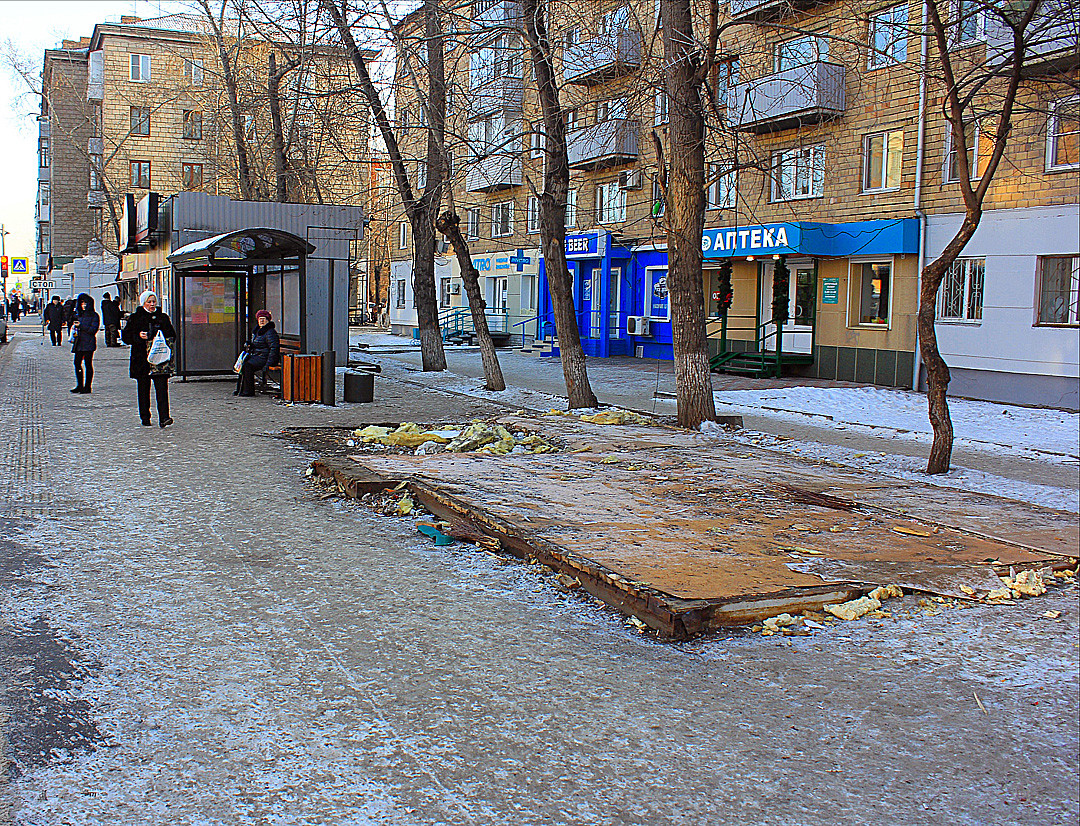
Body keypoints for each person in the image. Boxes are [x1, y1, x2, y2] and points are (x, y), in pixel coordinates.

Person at [121, 290, 175, 427]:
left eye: (154, 302)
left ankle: (164, 417)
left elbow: (172, 334)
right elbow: (126, 337)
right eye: (149, 302)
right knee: (143, 389)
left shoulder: (162, 317)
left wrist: (162, 336)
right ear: (143, 303)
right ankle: (145, 417)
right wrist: (138, 336)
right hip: (141, 359)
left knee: (162, 389)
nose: (152, 304)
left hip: (160, 359)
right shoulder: (136, 318)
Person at [236, 309, 280, 396]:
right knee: (243, 364)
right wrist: (249, 344)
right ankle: (241, 390)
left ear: (268, 320)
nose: (262, 321)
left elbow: (274, 348)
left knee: (247, 366)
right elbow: (257, 344)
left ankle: (248, 391)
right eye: (260, 319)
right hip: (258, 356)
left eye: (264, 319)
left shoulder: (270, 332)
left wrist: (268, 364)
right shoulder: (257, 331)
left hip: (265, 358)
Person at [70, 293, 100, 394]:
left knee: (88, 364)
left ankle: (87, 386)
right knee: (77, 363)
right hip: (79, 342)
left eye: (85, 303)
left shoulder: (94, 315)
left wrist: (81, 326)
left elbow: (93, 330)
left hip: (88, 343)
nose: (83, 305)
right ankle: (79, 385)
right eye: (81, 303)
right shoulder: (79, 315)